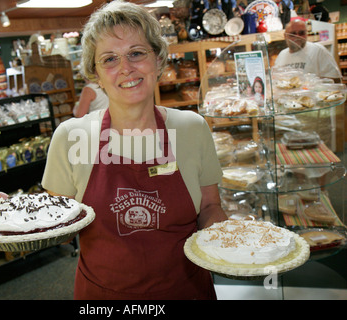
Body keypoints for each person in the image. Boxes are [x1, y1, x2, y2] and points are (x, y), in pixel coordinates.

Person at [42, 0, 227, 300]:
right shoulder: (70, 137)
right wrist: (21, 223)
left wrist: (230, 239)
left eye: (136, 53)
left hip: (186, 291)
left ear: (157, 59)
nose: (126, 68)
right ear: (95, 74)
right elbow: (60, 233)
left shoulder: (193, 128)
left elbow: (208, 207)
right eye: (110, 59)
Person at [274, 19, 341, 79]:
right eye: (293, 34)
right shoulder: (281, 55)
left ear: (306, 34)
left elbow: (335, 79)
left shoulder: (318, 50)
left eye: (301, 33)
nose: (297, 36)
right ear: (285, 36)